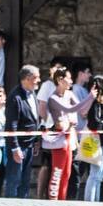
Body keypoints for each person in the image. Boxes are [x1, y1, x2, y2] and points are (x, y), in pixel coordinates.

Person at [44, 66, 97, 200]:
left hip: (70, 137)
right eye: (68, 79)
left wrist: (92, 98)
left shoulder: (69, 94)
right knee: (57, 172)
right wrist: (89, 97)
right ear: (60, 80)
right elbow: (70, 109)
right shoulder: (53, 98)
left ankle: (62, 200)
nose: (71, 81)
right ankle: (53, 200)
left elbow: (82, 110)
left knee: (67, 173)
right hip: (59, 137)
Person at [4, 65, 42, 197]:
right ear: (27, 78)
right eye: (36, 78)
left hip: (30, 145)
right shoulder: (15, 97)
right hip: (19, 146)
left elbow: (35, 119)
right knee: (14, 180)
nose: (38, 81)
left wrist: (36, 141)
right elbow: (11, 125)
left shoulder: (33, 95)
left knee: (25, 180)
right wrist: (15, 148)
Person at [36, 56, 64, 197]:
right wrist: (48, 124)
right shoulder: (47, 85)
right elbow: (42, 106)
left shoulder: (61, 86)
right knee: (46, 164)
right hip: (49, 127)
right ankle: (40, 194)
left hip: (60, 128)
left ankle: (52, 193)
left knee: (56, 164)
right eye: (56, 68)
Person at [68, 61, 94, 200]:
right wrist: (92, 97)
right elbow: (83, 111)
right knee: (79, 169)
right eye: (87, 72)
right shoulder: (76, 89)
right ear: (80, 73)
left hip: (87, 135)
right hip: (79, 135)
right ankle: (74, 197)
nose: (89, 75)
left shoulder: (83, 90)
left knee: (85, 168)